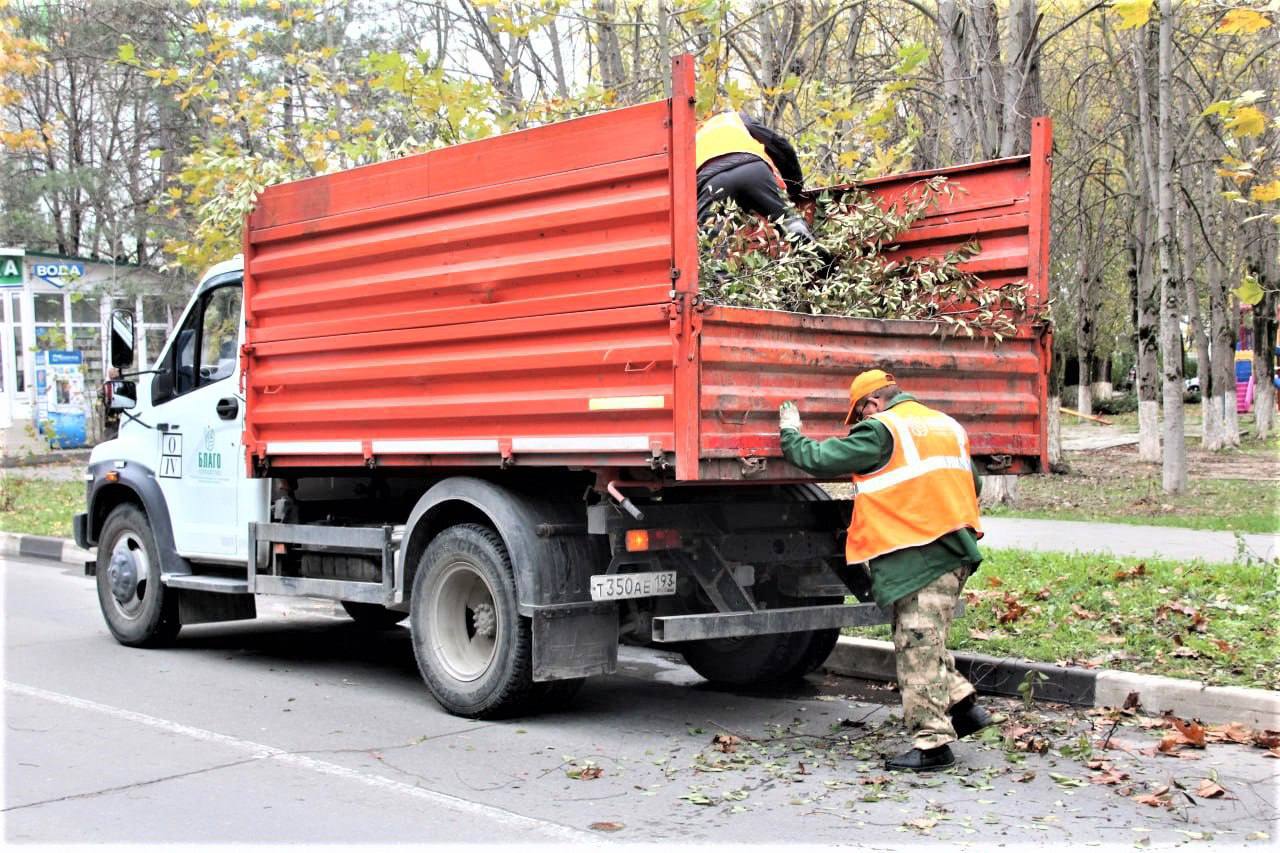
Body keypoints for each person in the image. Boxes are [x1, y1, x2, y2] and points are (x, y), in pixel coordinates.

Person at [778, 369, 993, 772]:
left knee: (916, 645)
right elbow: (972, 484)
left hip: (920, 551)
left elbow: (820, 459)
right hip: (952, 547)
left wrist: (790, 432)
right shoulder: (946, 426)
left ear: (872, 404)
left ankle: (932, 746)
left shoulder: (881, 430)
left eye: (859, 416)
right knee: (925, 638)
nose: (861, 424)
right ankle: (963, 708)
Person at [695, 109, 830, 262]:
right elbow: (779, 144)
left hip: (712, 180)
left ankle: (719, 281)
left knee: (711, 245)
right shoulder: (736, 118)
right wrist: (794, 187)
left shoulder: (696, 136)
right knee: (787, 219)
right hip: (754, 169)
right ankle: (799, 232)